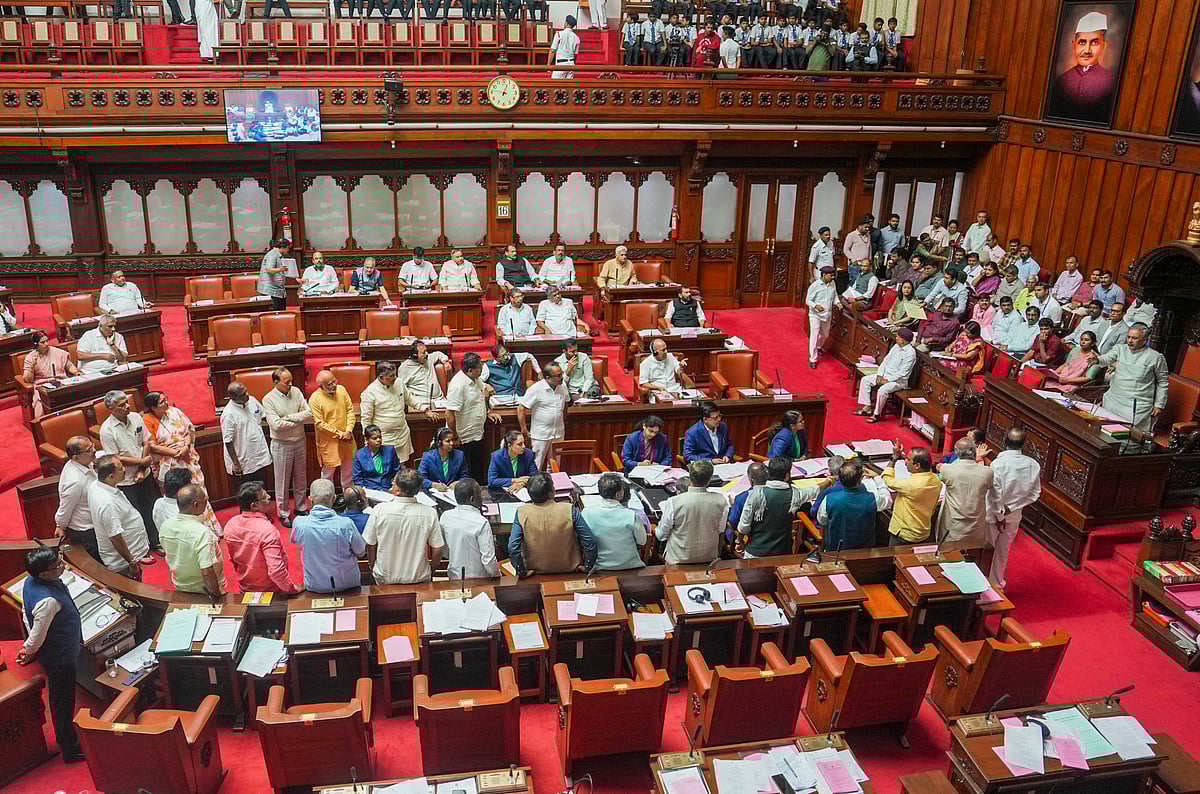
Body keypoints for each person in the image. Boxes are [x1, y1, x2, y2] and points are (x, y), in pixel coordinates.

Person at [16, 547, 85, 763]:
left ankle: (68, 741)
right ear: (44, 574)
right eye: (57, 566)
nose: (62, 566)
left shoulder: (30, 582)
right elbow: (37, 632)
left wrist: (30, 648)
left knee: (61, 699)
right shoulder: (48, 601)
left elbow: (27, 616)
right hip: (60, 658)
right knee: (62, 702)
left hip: (58, 649)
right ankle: (70, 748)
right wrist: (29, 649)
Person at [98, 390, 162, 555]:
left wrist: (142, 468)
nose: (127, 407)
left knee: (152, 508)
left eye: (126, 402)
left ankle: (157, 541)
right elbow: (116, 458)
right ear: (111, 409)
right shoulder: (107, 430)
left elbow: (146, 441)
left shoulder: (135, 417)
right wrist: (141, 462)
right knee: (134, 516)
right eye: (121, 405)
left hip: (144, 474)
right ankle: (143, 548)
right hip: (126, 480)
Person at [364, 469, 445, 585]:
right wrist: (430, 571)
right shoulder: (429, 513)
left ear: (397, 490)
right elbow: (438, 549)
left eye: (393, 483)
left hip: (384, 578)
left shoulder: (379, 510)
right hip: (419, 578)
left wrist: (373, 567)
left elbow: (371, 544)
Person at [736, 456, 824, 557]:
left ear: (769, 473)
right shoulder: (796, 494)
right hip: (782, 554)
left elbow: (743, 526)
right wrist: (830, 480)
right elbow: (816, 489)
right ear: (787, 476)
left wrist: (740, 541)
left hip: (755, 554)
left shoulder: (755, 494)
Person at [986, 428, 1041, 589]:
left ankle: (983, 586)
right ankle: (996, 585)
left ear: (1005, 441)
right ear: (1023, 444)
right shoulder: (1033, 464)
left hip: (994, 514)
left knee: (987, 549)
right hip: (1013, 514)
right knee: (1003, 551)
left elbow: (994, 494)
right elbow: (1035, 494)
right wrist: (1011, 508)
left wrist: (1000, 514)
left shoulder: (998, 464)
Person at [291, 478, 366, 592]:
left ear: (310, 499)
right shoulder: (345, 524)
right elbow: (361, 552)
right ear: (334, 498)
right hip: (347, 584)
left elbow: (296, 541)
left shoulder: (299, 523)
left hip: (315, 585)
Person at [224, 482, 299, 593]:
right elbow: (276, 571)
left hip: (245, 589)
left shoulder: (230, 525)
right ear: (254, 506)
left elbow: (234, 560)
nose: (269, 497)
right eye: (264, 497)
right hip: (272, 591)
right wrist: (291, 589)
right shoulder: (267, 531)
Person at [1094, 324, 1170, 431]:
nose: (1130, 341)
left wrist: (1159, 404)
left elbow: (1162, 382)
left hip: (1137, 405)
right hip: (1114, 399)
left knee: (1129, 437)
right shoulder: (1120, 349)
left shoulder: (1155, 357)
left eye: (1134, 338)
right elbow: (1106, 359)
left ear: (1144, 340)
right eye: (1129, 337)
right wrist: (1097, 360)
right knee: (1105, 430)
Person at [260, 366, 310, 528]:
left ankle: (301, 507)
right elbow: (276, 425)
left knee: (301, 477)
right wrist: (297, 419)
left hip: (300, 441)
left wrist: (288, 417)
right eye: (286, 382)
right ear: (276, 383)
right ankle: (283, 513)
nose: (290, 385)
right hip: (282, 445)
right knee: (282, 481)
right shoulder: (268, 399)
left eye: (291, 381)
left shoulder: (296, 391)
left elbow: (308, 413)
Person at [1048, 12, 1117, 125]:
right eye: (1082, 42)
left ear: (1104, 45)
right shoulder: (1061, 81)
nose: (1087, 50)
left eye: (1094, 42)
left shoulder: (1111, 82)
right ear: (1074, 45)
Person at [653, 459, 727, 563]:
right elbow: (720, 530)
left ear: (690, 477)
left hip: (678, 560)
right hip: (708, 559)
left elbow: (661, 536)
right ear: (710, 479)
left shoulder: (674, 502)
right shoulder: (722, 501)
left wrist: (656, 528)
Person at [89, 457, 151, 578]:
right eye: (120, 468)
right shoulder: (107, 503)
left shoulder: (97, 484)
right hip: (123, 563)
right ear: (110, 476)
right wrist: (131, 562)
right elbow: (115, 537)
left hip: (131, 554)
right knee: (135, 591)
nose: (124, 469)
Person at [158, 484, 225, 596]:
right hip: (205, 589)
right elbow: (207, 571)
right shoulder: (201, 532)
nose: (207, 500)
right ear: (196, 505)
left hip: (180, 585)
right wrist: (216, 592)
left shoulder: (166, 525)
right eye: (205, 498)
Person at [361, 360, 433, 462]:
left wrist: (425, 409)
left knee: (402, 466)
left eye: (395, 374)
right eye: (391, 376)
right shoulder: (369, 392)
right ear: (381, 377)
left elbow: (410, 399)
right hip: (384, 438)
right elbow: (366, 419)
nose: (394, 378)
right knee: (386, 468)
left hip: (402, 434)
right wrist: (367, 440)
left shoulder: (399, 382)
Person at [447, 352, 500, 483]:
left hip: (477, 434)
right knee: (465, 473)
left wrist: (488, 412)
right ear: (470, 370)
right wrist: (453, 436)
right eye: (479, 368)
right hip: (462, 438)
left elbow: (482, 396)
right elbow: (449, 413)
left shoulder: (476, 379)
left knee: (478, 470)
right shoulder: (458, 385)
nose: (482, 369)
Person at [934, 436, 994, 545]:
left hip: (952, 522)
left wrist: (940, 467)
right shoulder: (987, 472)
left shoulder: (947, 469)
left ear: (956, 453)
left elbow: (939, 470)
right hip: (976, 523)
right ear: (974, 453)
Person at [582, 472, 647, 570]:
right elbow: (642, 541)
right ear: (618, 494)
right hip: (629, 567)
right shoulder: (631, 516)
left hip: (599, 567)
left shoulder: (586, 513)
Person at [817, 461, 887, 551]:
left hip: (836, 550)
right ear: (860, 479)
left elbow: (822, 520)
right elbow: (887, 499)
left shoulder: (829, 499)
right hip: (864, 551)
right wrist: (877, 477)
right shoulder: (872, 498)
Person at [880, 445, 940, 545]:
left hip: (904, 533)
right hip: (923, 531)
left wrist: (894, 458)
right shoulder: (936, 481)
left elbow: (887, 479)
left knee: (895, 558)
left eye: (908, 459)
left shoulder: (911, 485)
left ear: (917, 466)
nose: (905, 462)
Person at [440, 478, 499, 579]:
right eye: (480, 494)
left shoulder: (445, 516)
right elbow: (488, 560)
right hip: (479, 579)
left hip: (454, 576)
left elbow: (444, 551)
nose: (482, 497)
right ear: (472, 499)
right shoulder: (481, 522)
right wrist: (497, 575)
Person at [856, 327, 916, 422]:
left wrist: (887, 380)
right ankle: (867, 407)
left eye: (898, 337)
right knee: (865, 380)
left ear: (903, 340)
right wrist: (880, 375)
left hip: (898, 381)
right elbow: (885, 360)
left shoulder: (910, 353)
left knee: (882, 390)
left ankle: (876, 414)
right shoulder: (896, 346)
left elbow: (903, 373)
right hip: (885, 375)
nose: (896, 338)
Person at [55, 435, 100, 561]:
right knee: (98, 566)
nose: (94, 450)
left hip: (96, 524)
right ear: (76, 457)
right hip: (86, 532)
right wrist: (60, 526)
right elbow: (65, 508)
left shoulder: (85, 462)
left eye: (92, 445)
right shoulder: (74, 481)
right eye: (89, 449)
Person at [518, 362, 570, 469]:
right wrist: (523, 428)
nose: (562, 377)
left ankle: (554, 485)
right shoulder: (536, 389)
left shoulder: (562, 386)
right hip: (541, 434)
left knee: (555, 466)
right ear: (548, 378)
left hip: (558, 433)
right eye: (558, 375)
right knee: (536, 465)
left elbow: (566, 403)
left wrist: (563, 420)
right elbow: (521, 408)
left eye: (562, 374)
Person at [309, 369, 356, 489]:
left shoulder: (342, 389)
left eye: (334, 381)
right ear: (321, 386)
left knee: (348, 473)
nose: (333, 385)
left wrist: (349, 430)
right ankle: (326, 501)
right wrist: (340, 434)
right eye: (329, 384)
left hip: (347, 438)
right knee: (327, 475)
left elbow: (350, 410)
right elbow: (319, 423)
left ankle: (348, 499)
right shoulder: (314, 398)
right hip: (330, 442)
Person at [221, 381, 272, 490]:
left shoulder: (252, 400)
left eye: (246, 391)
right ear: (234, 397)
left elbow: (263, 415)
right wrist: (236, 463)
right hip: (243, 461)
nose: (247, 395)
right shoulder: (228, 414)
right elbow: (228, 441)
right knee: (247, 494)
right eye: (243, 394)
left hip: (259, 456)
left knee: (261, 490)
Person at [23, 331, 80, 418]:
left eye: (47, 341)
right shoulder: (30, 357)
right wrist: (32, 366)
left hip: (61, 381)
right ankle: (42, 423)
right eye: (43, 342)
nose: (46, 344)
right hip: (42, 385)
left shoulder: (57, 352)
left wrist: (76, 372)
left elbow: (68, 365)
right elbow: (28, 379)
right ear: (36, 345)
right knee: (40, 400)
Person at [397, 340, 451, 407]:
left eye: (426, 351)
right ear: (415, 356)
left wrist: (445, 362)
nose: (426, 354)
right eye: (423, 352)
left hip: (438, 399)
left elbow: (439, 354)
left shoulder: (428, 359)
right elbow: (402, 387)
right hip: (420, 401)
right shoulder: (404, 368)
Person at [353, 424, 403, 492]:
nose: (378, 440)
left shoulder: (390, 450)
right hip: (369, 491)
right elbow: (357, 478)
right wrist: (364, 491)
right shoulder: (359, 455)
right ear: (367, 439)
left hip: (389, 489)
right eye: (374, 438)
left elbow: (397, 471)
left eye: (379, 437)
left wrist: (394, 486)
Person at [806, 265, 837, 368]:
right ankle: (813, 359)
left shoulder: (832, 283)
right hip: (815, 315)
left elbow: (835, 295)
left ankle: (819, 347)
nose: (832, 277)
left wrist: (838, 303)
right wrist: (816, 306)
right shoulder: (815, 286)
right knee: (814, 336)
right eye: (830, 275)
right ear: (824, 275)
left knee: (825, 335)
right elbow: (808, 300)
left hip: (827, 314)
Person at [257, 238, 291, 311]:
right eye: (287, 248)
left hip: (277, 290)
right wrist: (281, 269)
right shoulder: (272, 255)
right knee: (276, 315)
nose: (288, 250)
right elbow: (269, 269)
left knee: (282, 313)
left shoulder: (277, 255)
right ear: (282, 247)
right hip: (271, 292)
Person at [843, 217, 872, 282]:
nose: (867, 229)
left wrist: (870, 262)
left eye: (868, 227)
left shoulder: (868, 235)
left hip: (866, 265)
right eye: (866, 227)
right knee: (854, 284)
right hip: (856, 265)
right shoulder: (851, 235)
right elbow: (846, 249)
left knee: (863, 283)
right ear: (860, 226)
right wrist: (853, 259)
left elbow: (869, 248)